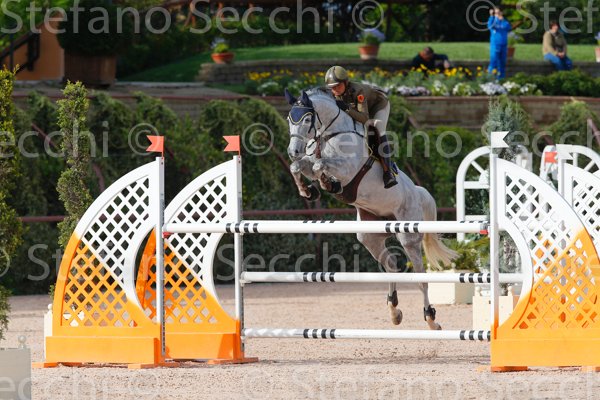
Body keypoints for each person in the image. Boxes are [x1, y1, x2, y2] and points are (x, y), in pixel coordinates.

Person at [324, 66, 397, 189]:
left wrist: (347, 109)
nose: (334, 90)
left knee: (378, 127)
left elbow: (364, 118)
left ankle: (388, 172)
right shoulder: (332, 94)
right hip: (360, 110)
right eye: (332, 87)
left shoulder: (358, 91)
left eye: (337, 86)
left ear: (346, 82)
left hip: (377, 105)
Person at [487, 6, 512, 79]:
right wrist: (491, 16)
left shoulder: (504, 22)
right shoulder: (492, 21)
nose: (497, 14)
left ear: (501, 13)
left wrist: (502, 20)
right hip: (495, 45)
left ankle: (501, 79)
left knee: (502, 63)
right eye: (495, 13)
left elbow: (508, 27)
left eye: (498, 13)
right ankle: (490, 79)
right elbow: (489, 26)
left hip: (503, 45)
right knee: (493, 61)